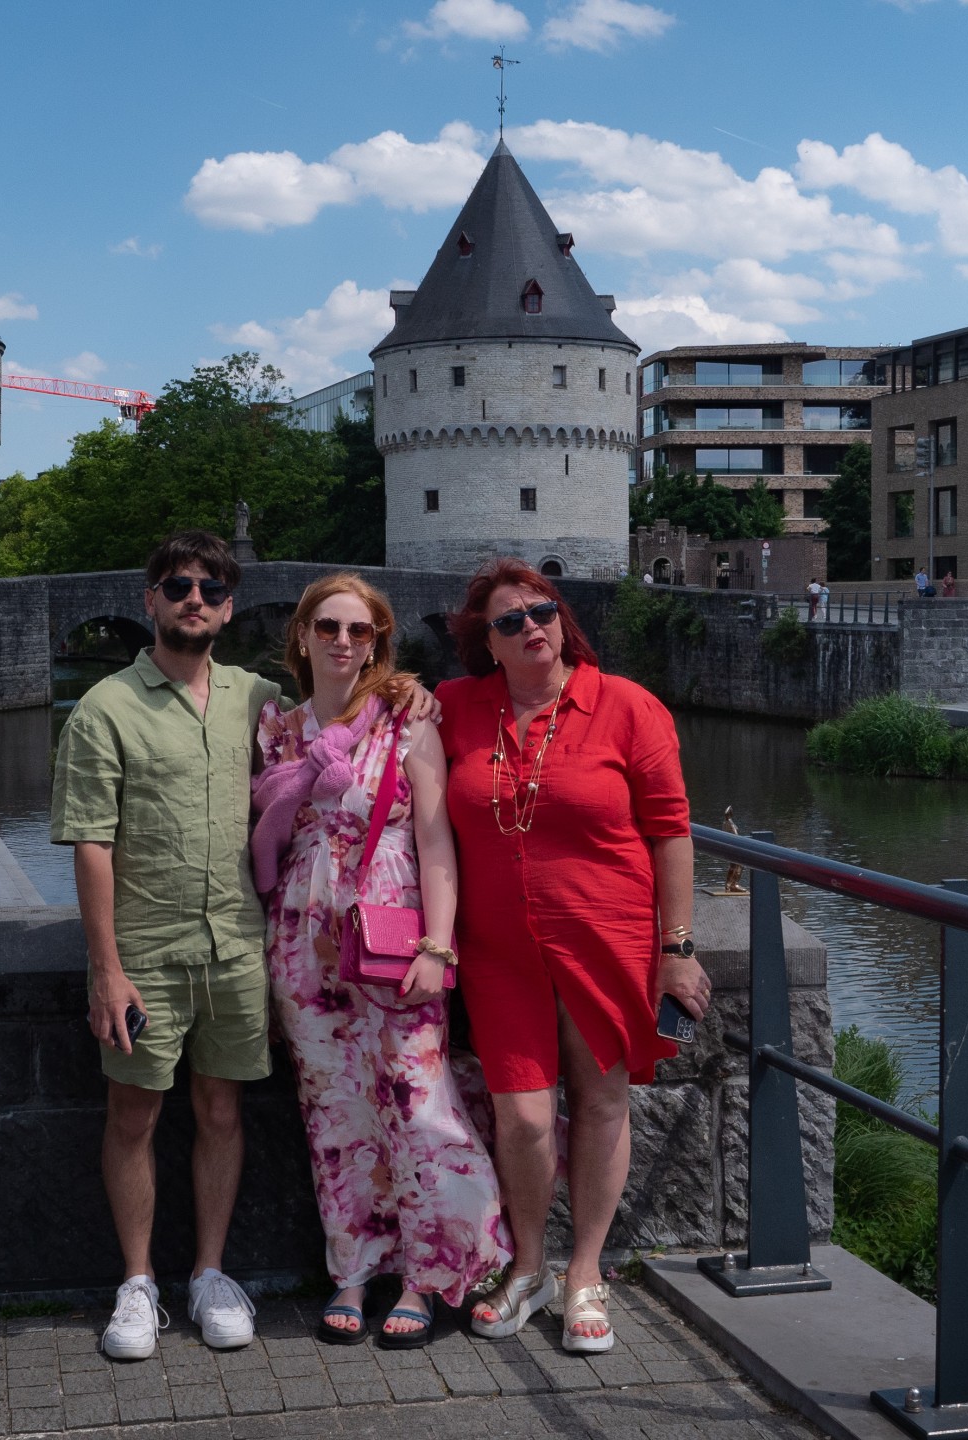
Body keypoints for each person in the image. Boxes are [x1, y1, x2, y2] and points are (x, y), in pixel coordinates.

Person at [436, 559, 710, 1355]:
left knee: (601, 1101)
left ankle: (585, 1270)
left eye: (543, 611)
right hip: (497, 949)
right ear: (485, 643)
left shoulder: (625, 705)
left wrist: (677, 948)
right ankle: (529, 1266)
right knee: (522, 1115)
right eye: (509, 621)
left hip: (605, 935)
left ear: (563, 620)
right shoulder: (453, 708)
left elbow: (671, 830)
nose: (531, 627)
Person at [250, 574, 508, 1349]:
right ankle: (355, 1268)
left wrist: (439, 944)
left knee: (418, 1102)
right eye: (327, 627)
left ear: (377, 644)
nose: (342, 641)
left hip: (393, 932)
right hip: (303, 941)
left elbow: (436, 841)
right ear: (302, 636)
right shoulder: (278, 730)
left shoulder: (406, 721)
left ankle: (430, 1274)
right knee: (334, 1110)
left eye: (359, 631)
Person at [52, 531, 275, 1362]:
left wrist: (412, 700)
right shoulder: (104, 707)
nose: (194, 600)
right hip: (145, 951)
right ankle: (138, 1281)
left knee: (222, 1110)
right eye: (178, 586)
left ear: (229, 608)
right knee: (133, 1115)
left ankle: (209, 1273)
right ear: (149, 599)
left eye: (211, 590)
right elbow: (91, 843)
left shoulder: (258, 698)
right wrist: (106, 971)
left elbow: (350, 719)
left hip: (237, 947)